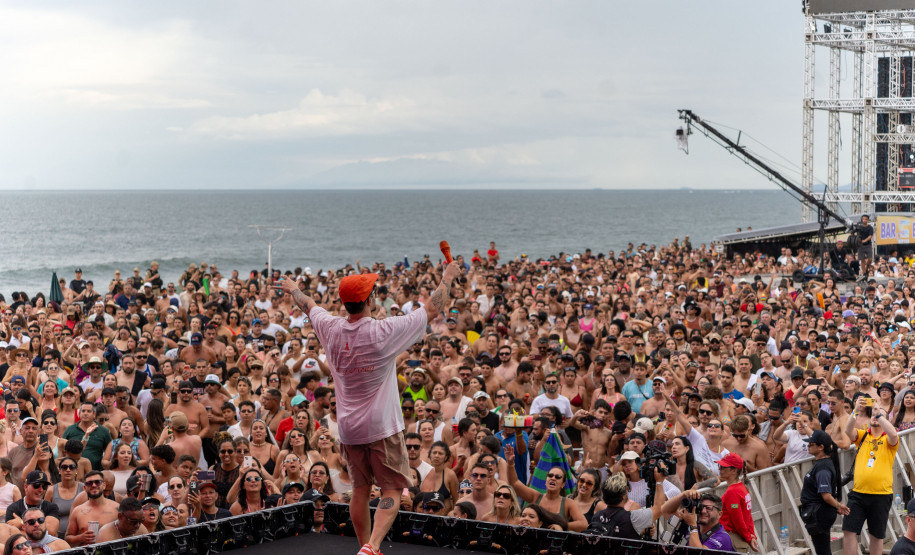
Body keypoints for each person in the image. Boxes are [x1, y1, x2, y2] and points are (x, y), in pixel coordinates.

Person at [277, 253, 461, 555]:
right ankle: (373, 545)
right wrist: (448, 275)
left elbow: (308, 305)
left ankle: (363, 546)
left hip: (349, 428)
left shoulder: (331, 328)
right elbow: (433, 308)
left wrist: (292, 288)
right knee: (391, 489)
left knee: (360, 490)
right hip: (382, 426)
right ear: (370, 300)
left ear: (344, 302)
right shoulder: (382, 331)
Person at [843, 395, 899, 555]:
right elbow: (848, 431)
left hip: (881, 494)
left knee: (876, 535)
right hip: (858, 493)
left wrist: (879, 414)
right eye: (873, 414)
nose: (875, 416)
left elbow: (894, 435)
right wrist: (855, 411)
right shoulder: (863, 435)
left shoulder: (888, 438)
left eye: (879, 414)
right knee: (849, 530)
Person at [800, 430, 849, 555]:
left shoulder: (823, 467)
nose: (808, 446)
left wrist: (838, 505)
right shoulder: (823, 464)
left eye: (811, 444)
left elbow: (826, 495)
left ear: (821, 447)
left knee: (823, 551)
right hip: (820, 512)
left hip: (819, 514)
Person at [588, 470, 665, 539]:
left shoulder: (597, 516)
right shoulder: (633, 518)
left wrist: (641, 531)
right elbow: (659, 509)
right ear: (624, 494)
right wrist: (659, 481)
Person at [661, 491, 734, 550]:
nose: (703, 511)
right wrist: (683, 495)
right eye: (701, 507)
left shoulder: (723, 537)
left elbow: (697, 552)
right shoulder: (694, 526)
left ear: (719, 514)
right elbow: (665, 511)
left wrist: (692, 526)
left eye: (708, 508)